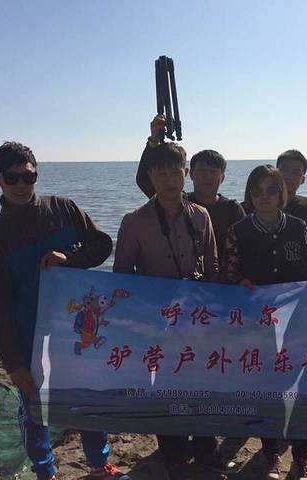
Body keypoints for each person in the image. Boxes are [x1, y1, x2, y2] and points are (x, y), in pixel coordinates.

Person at [0, 142, 130, 480]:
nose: (21, 185)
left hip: (77, 330)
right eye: (12, 178)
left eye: (28, 176)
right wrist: (13, 363)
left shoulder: (63, 208)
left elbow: (102, 244)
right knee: (36, 409)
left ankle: (99, 464)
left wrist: (70, 258)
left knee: (86, 398)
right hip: (29, 337)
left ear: (37, 174)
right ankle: (45, 471)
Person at [114, 142, 229, 480]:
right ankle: (173, 452)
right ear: (150, 176)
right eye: (160, 173)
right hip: (158, 322)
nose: (168, 180)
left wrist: (216, 311)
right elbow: (123, 274)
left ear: (185, 173)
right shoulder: (134, 221)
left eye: (174, 172)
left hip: (197, 317)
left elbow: (213, 266)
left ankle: (206, 449)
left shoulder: (201, 215)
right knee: (165, 386)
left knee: (203, 382)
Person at [223, 165, 307, 480]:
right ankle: (271, 455)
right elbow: (229, 274)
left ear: (282, 193)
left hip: (295, 321)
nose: (264, 197)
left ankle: (301, 459)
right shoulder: (239, 230)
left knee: (297, 389)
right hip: (257, 324)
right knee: (266, 389)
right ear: (250, 195)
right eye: (257, 191)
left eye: (271, 190)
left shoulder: (298, 226)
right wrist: (240, 283)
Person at [136, 114, 246, 257]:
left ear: (222, 178)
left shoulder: (233, 209)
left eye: (213, 172)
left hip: (223, 270)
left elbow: (248, 245)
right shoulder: (177, 202)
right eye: (202, 171)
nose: (207, 176)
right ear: (190, 174)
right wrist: (153, 141)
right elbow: (144, 179)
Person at [242, 150, 307, 250]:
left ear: (302, 180)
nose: (289, 176)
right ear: (275, 173)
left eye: (296, 172)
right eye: (284, 169)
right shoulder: (250, 206)